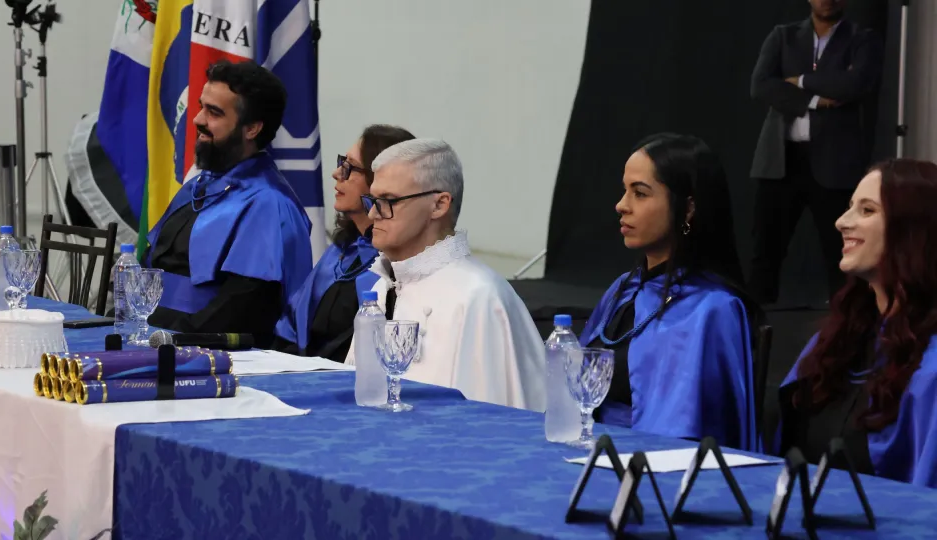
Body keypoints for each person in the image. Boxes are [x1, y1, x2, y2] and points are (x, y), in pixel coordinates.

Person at [579, 133, 759, 451]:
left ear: (688, 208)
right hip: (589, 454)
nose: (621, 205)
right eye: (625, 191)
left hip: (653, 474)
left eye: (640, 193)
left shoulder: (712, 310)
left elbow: (694, 435)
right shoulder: (624, 289)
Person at [343, 139, 545, 411]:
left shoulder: (478, 297)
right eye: (373, 199)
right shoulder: (381, 288)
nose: (372, 213)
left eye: (388, 201)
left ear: (438, 205)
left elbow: (491, 424)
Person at [778, 159, 937, 488]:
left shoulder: (932, 364)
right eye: (850, 207)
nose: (841, 222)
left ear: (914, 230)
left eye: (867, 210)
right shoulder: (840, 337)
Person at [145, 60, 313, 347]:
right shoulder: (199, 187)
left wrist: (167, 335)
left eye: (214, 113)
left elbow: (241, 309)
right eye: (202, 106)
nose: (197, 119)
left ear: (252, 129)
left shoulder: (268, 204)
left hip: (206, 354)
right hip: (157, 333)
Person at [748, 0, 883, 305]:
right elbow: (761, 86)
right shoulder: (783, 35)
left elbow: (855, 84)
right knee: (765, 251)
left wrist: (801, 81)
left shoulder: (863, 39)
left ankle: (846, 329)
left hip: (835, 164)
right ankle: (755, 329)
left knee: (844, 253)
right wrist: (815, 100)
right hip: (781, 161)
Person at [274, 125, 416, 360]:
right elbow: (290, 328)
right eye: (342, 163)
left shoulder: (395, 267)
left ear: (380, 182)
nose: (337, 173)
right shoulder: (340, 252)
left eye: (350, 168)